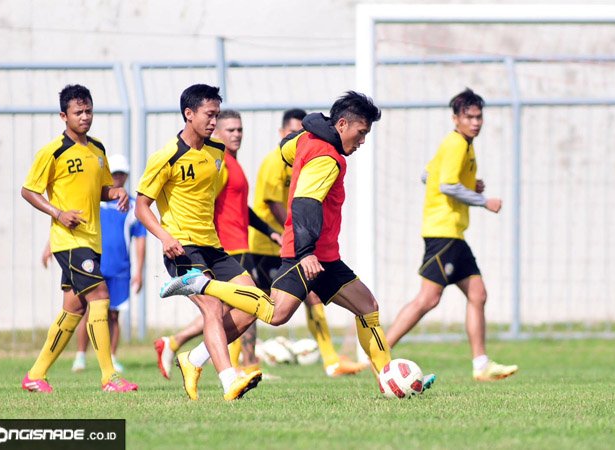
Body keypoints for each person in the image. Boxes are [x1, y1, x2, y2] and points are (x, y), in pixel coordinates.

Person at [160, 91, 435, 392]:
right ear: (342, 124)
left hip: (325, 255)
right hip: (307, 255)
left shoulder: (306, 139)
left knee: (367, 306)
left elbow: (284, 149)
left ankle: (389, 380)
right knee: (274, 314)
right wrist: (305, 252)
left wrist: (313, 125)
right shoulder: (327, 159)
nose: (362, 141)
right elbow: (305, 202)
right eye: (361, 133)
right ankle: (201, 285)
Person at [135, 84, 262, 401]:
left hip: (214, 248)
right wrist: (165, 236)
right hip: (182, 247)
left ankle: (193, 359)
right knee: (213, 307)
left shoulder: (218, 154)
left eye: (217, 114)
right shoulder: (167, 156)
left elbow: (212, 198)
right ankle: (229, 380)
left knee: (251, 303)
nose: (214, 121)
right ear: (188, 114)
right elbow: (141, 205)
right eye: (209, 114)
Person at [385, 88, 518, 381]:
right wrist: (483, 201)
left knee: (478, 293)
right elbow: (445, 186)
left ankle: (481, 364)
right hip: (442, 232)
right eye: (468, 117)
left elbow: (427, 176)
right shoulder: (456, 143)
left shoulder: (463, 145)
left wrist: (470, 184)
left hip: (454, 233)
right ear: (455, 118)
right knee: (428, 299)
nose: (475, 122)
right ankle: (380, 353)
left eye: (478, 116)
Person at [20, 84, 138, 393]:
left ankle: (36, 374)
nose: (85, 117)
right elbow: (29, 190)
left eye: (88, 111)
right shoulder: (52, 151)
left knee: (73, 308)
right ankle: (109, 377)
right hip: (69, 240)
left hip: (91, 239)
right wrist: (58, 213)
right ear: (64, 116)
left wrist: (117, 192)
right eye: (78, 112)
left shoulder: (97, 149)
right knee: (99, 297)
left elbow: (102, 190)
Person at [153, 109, 281, 378]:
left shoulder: (227, 161)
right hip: (223, 243)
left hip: (227, 245)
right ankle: (240, 365)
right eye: (230, 130)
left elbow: (240, 209)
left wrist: (269, 231)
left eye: (240, 130)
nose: (236, 135)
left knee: (237, 305)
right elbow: (202, 201)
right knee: (227, 306)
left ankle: (182, 346)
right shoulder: (212, 162)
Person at [248, 108, 366, 377]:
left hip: (296, 243)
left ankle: (330, 360)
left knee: (310, 297)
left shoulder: (313, 150)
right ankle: (239, 363)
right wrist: (298, 239)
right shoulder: (273, 162)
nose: (297, 138)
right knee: (265, 309)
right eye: (290, 133)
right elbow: (279, 203)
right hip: (265, 244)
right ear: (282, 134)